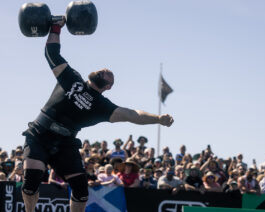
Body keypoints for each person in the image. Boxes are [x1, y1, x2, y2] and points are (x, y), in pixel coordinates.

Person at [21, 20, 174, 212]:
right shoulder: (71, 78)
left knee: (81, 190)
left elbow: (132, 115)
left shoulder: (103, 107)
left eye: (109, 74)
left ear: (108, 87)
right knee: (31, 181)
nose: (105, 70)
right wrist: (56, 28)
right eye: (103, 69)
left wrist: (158, 119)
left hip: (65, 144)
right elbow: (51, 53)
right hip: (40, 134)